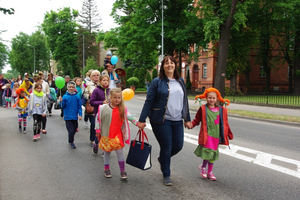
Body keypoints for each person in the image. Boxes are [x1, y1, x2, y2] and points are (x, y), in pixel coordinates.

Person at [138, 55, 191, 186]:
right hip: (161, 119)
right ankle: (166, 173)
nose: (169, 65)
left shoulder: (180, 81)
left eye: (171, 63)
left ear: (175, 65)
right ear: (163, 66)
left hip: (177, 119)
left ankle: (162, 159)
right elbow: (149, 101)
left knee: (178, 146)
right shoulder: (157, 81)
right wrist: (141, 119)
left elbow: (185, 101)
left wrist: (187, 119)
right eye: (166, 63)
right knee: (167, 146)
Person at [186, 88, 233, 181]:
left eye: (213, 98)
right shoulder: (203, 109)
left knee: (213, 154)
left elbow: (225, 123)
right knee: (209, 152)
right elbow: (197, 119)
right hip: (207, 135)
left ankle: (210, 172)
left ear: (217, 99)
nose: (211, 100)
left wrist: (229, 134)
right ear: (206, 98)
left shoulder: (221, 110)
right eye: (209, 98)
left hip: (216, 135)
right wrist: (191, 124)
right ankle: (203, 167)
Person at [95, 88, 139, 179]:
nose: (117, 99)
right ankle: (106, 169)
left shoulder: (122, 109)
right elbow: (98, 118)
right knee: (107, 152)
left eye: (119, 98)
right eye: (114, 97)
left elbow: (130, 117)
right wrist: (97, 130)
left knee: (120, 152)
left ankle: (122, 171)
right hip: (106, 134)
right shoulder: (103, 108)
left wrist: (138, 124)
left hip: (117, 135)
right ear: (110, 97)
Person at [90, 74, 110, 154]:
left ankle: (104, 149)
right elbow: (92, 102)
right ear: (100, 81)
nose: (105, 82)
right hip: (98, 114)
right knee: (99, 131)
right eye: (103, 80)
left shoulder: (110, 90)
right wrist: (101, 102)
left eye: (107, 80)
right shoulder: (96, 90)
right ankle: (96, 143)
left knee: (106, 131)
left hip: (108, 114)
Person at [59, 81, 82, 149]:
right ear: (67, 88)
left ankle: (71, 138)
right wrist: (61, 101)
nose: (71, 88)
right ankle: (71, 142)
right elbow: (62, 106)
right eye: (69, 87)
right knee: (71, 130)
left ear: (74, 88)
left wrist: (80, 114)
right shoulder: (65, 96)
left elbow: (79, 106)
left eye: (72, 87)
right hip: (67, 116)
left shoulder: (77, 96)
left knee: (75, 129)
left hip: (75, 116)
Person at [83, 70, 100, 147]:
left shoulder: (102, 84)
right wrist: (89, 96)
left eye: (97, 75)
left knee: (101, 125)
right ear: (91, 77)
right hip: (92, 107)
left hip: (101, 107)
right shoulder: (88, 85)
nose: (96, 77)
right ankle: (92, 139)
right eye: (94, 75)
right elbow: (85, 95)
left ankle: (100, 139)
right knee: (93, 124)